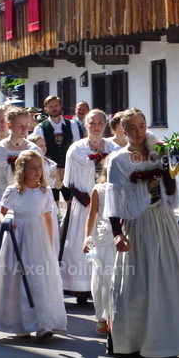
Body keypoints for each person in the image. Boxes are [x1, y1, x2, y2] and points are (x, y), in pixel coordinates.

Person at [105, 108, 179, 358]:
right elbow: (114, 201)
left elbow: (170, 187)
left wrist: (167, 166)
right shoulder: (119, 160)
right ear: (123, 131)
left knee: (168, 277)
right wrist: (117, 233)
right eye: (132, 128)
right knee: (139, 281)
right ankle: (133, 340)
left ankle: (168, 340)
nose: (138, 132)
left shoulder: (158, 153)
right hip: (139, 222)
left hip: (163, 219)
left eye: (142, 126)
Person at [0, 149, 66, 340]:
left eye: (39, 168)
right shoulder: (13, 191)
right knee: (18, 280)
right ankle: (21, 323)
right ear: (22, 170)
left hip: (38, 238)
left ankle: (43, 323)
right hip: (17, 237)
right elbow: (1, 213)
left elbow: (48, 218)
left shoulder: (46, 191)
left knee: (39, 280)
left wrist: (50, 243)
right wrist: (5, 221)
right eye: (32, 168)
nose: (37, 172)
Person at [0, 108, 39, 295]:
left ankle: (28, 294)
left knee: (29, 249)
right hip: (4, 202)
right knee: (2, 247)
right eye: (19, 125)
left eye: (27, 126)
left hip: (29, 201)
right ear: (9, 125)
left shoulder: (32, 150)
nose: (24, 129)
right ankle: (0, 293)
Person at [61, 109, 119, 303]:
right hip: (83, 205)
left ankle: (105, 285)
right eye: (91, 123)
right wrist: (88, 201)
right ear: (85, 125)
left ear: (105, 125)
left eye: (99, 123)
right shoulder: (76, 149)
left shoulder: (114, 148)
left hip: (107, 207)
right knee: (85, 245)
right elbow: (69, 181)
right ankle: (82, 288)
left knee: (105, 246)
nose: (95, 126)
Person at [35, 95, 84, 204]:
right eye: (50, 106)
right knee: (51, 205)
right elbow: (38, 152)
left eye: (56, 105)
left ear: (61, 106)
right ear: (46, 109)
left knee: (71, 204)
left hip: (69, 171)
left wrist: (68, 167)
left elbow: (77, 148)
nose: (54, 108)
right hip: (49, 173)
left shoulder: (72, 124)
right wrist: (52, 169)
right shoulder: (40, 128)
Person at [83, 164, 114, 334]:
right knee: (102, 278)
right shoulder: (99, 189)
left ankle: (117, 316)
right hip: (103, 238)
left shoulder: (129, 188)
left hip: (122, 236)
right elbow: (92, 214)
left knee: (117, 278)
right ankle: (102, 317)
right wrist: (87, 237)